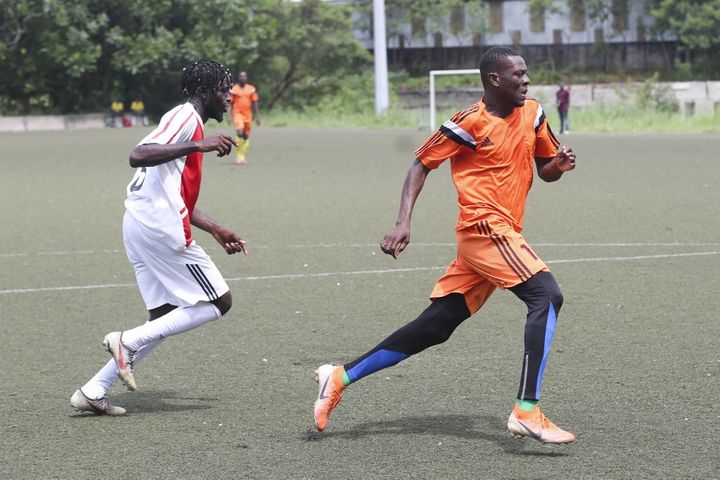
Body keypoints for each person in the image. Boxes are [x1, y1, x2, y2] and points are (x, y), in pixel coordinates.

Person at [313, 47, 578, 445]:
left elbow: (545, 170)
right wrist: (403, 221)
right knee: (546, 296)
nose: (526, 80)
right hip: (483, 228)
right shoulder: (468, 121)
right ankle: (527, 409)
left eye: (526, 74)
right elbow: (421, 163)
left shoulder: (535, 113)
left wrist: (558, 164)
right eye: (518, 74)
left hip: (502, 233)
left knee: (436, 325)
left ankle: (340, 376)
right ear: (494, 80)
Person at [70, 60, 247, 416]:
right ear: (203, 92)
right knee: (219, 302)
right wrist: (200, 144)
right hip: (159, 229)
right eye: (223, 90)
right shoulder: (185, 118)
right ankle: (126, 341)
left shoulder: (186, 120)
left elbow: (169, 190)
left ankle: (93, 389)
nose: (229, 97)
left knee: (164, 315)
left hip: (139, 223)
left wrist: (214, 227)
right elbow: (138, 155)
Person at [229, 70, 261, 165]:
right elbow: (230, 103)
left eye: (244, 76)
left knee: (246, 136)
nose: (242, 78)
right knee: (240, 133)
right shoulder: (234, 89)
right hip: (237, 114)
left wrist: (258, 116)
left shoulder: (251, 89)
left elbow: (255, 102)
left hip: (248, 116)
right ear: (238, 78)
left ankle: (242, 156)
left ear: (246, 78)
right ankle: (238, 156)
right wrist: (229, 115)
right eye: (241, 76)